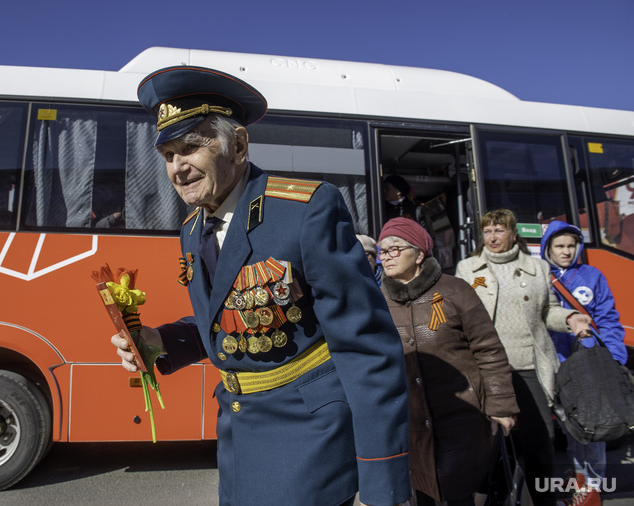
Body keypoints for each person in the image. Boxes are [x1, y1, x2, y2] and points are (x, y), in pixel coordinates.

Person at [110, 65, 411, 506]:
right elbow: (233, 317)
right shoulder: (192, 229)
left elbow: (367, 349)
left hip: (311, 441)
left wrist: (382, 486)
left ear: (238, 145)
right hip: (238, 435)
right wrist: (161, 341)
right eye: (168, 155)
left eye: (190, 147)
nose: (177, 168)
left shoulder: (306, 209)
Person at [454, 209, 592, 506]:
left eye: (499, 231)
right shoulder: (468, 269)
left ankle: (543, 499)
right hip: (488, 369)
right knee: (490, 445)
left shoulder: (537, 267)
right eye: (487, 231)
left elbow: (548, 311)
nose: (492, 237)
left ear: (513, 233)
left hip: (530, 365)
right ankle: (494, 498)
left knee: (542, 441)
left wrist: (570, 319)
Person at [378, 217, 519, 506]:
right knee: (422, 492)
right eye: (382, 250)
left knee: (460, 494)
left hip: (462, 417)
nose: (386, 256)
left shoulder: (456, 290)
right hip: (409, 420)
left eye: (395, 248)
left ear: (419, 254)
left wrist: (501, 406)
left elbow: (488, 350)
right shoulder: (376, 300)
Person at [540, 220, 627, 506]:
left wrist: (614, 359)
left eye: (570, 246)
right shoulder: (540, 276)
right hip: (558, 367)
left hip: (591, 366)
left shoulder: (592, 275)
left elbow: (609, 320)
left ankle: (592, 491)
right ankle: (580, 481)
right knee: (571, 428)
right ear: (547, 248)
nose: (566, 252)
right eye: (559, 246)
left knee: (596, 427)